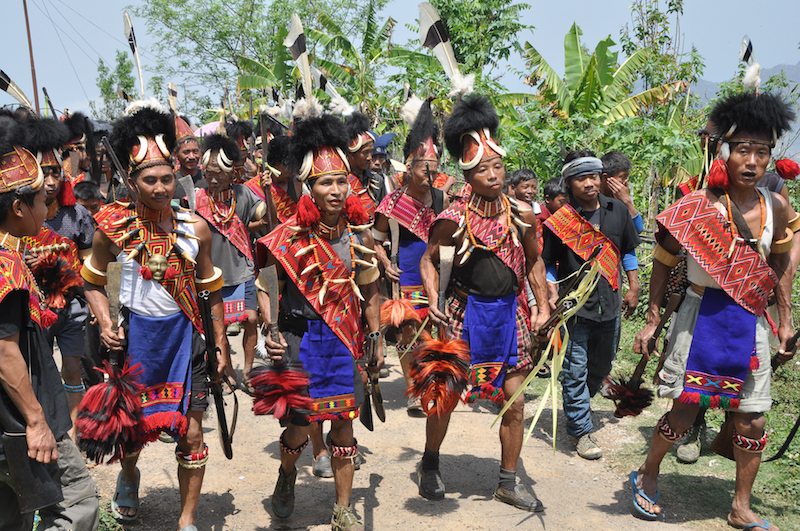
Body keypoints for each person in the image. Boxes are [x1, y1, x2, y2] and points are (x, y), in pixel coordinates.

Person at [630, 92, 796, 530]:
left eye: (761, 152)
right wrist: (651, 320)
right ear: (726, 152)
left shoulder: (776, 206)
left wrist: (785, 322)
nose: (752, 160)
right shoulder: (697, 207)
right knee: (685, 411)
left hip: (751, 322)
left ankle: (741, 506)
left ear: (770, 159)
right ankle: (647, 473)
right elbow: (664, 263)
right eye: (743, 149)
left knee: (753, 418)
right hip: (700, 315)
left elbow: (780, 268)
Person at [81, 101, 230, 530]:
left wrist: (220, 343)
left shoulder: (195, 228)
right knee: (133, 434)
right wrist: (107, 323)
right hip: (136, 340)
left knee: (193, 434)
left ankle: (186, 520)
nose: (161, 187)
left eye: (167, 178)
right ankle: (129, 474)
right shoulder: (111, 227)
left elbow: (211, 291)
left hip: (188, 339)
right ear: (132, 181)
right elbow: (91, 282)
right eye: (151, 179)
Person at [418, 95, 549, 511]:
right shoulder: (453, 219)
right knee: (445, 395)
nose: (493, 175)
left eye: (498, 167)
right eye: (483, 169)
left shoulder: (522, 215)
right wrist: (434, 297)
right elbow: (428, 261)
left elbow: (533, 262)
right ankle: (430, 463)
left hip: (511, 316)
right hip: (462, 314)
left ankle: (508, 481)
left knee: (516, 401)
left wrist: (542, 306)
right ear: (468, 174)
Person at [256, 112, 383, 531]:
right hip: (299, 337)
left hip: (344, 338)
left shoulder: (360, 236)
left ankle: (342, 508)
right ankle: (287, 472)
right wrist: (270, 329)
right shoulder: (287, 237)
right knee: (300, 425)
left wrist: (377, 336)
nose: (334, 189)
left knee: (344, 424)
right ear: (309, 187)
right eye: (325, 182)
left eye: (340, 181)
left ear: (349, 185)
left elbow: (370, 289)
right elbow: (265, 285)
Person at [0, 112, 99, 531]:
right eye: (41, 199)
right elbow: (5, 350)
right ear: (18, 207)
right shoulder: (5, 267)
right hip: (23, 421)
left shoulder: (22, 252)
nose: (49, 204)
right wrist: (37, 421)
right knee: (77, 507)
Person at [541, 149, 640, 460]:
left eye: (593, 176)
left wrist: (634, 284)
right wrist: (551, 290)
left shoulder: (618, 211)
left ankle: (579, 401)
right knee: (574, 369)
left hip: (610, 303)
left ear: (601, 178)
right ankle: (581, 431)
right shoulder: (561, 221)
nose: (589, 183)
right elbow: (549, 263)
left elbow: (627, 251)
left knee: (602, 365)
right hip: (575, 308)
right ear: (569, 183)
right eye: (581, 178)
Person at [17, 114, 94, 443]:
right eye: (43, 173)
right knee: (40, 372)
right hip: (34, 310)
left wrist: (93, 302)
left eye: (54, 172)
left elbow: (91, 264)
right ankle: (49, 431)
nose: (50, 181)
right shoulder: (19, 217)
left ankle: (75, 432)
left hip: (73, 308)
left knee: (73, 369)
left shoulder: (77, 215)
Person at [374, 99, 447, 415]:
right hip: (403, 281)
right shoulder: (392, 202)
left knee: (430, 334)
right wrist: (386, 263)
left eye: (433, 165)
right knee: (407, 334)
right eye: (422, 166)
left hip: (436, 277)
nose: (429, 171)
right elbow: (376, 239)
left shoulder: (444, 199)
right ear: (409, 166)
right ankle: (416, 387)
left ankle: (431, 382)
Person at [194, 133, 268, 383]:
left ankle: (248, 370)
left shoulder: (245, 194)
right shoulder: (195, 199)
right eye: (209, 173)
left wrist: (267, 190)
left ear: (232, 173)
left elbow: (266, 217)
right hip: (210, 275)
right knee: (219, 327)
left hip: (242, 270)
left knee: (251, 319)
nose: (213, 179)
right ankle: (227, 372)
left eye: (219, 174)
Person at [344, 113, 386, 217]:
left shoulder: (377, 180)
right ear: (351, 154)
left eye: (371, 152)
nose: (369, 157)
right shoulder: (341, 180)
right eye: (365, 153)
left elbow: (381, 214)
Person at [600, 151, 644, 233]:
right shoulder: (593, 200)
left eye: (627, 177)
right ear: (606, 178)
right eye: (622, 177)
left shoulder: (621, 201)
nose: (626, 181)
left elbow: (638, 229)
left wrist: (627, 202)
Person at [173, 114, 203, 197]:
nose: (192, 156)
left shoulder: (208, 179)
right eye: (186, 152)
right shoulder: (171, 182)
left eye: (195, 151)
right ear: (176, 154)